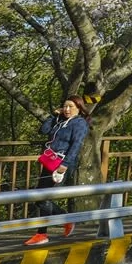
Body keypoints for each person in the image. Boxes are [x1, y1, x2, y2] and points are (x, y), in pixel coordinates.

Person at [24, 95, 90, 246]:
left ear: (79, 109)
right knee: (39, 197)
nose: (67, 109)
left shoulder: (79, 123)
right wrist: (53, 116)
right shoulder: (60, 121)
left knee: (44, 199)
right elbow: (43, 130)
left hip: (62, 164)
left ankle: (42, 234)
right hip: (50, 161)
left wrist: (65, 164)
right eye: (65, 106)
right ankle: (65, 219)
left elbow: (76, 145)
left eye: (71, 107)